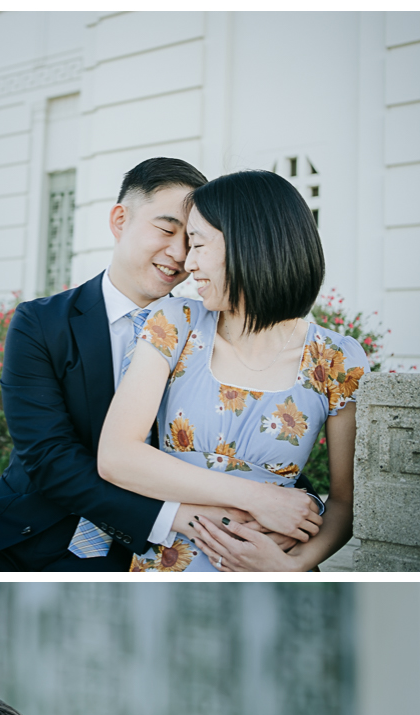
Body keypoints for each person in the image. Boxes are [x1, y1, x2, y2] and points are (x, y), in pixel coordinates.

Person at [0, 158, 322, 572]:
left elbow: (241, 435)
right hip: (31, 536)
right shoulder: (41, 323)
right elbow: (48, 459)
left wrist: (304, 504)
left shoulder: (215, 328)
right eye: (166, 230)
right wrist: (176, 517)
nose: (180, 254)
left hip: (149, 559)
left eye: (194, 239)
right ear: (119, 219)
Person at [97, 170, 369, 572]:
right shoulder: (174, 323)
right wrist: (259, 498)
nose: (188, 263)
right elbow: (117, 456)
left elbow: (347, 501)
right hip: (168, 567)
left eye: (198, 244)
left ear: (249, 245)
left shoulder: (336, 358)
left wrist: (292, 567)